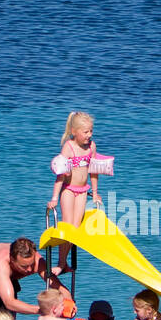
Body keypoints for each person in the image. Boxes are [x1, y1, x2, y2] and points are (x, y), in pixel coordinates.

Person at [46, 111, 113, 273]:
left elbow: (93, 172)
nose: (89, 135)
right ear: (74, 132)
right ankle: (61, 263)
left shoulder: (92, 147)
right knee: (68, 225)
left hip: (83, 191)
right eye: (86, 132)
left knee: (75, 228)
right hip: (68, 190)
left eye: (91, 131)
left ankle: (64, 262)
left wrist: (95, 193)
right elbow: (61, 175)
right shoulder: (69, 147)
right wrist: (54, 198)